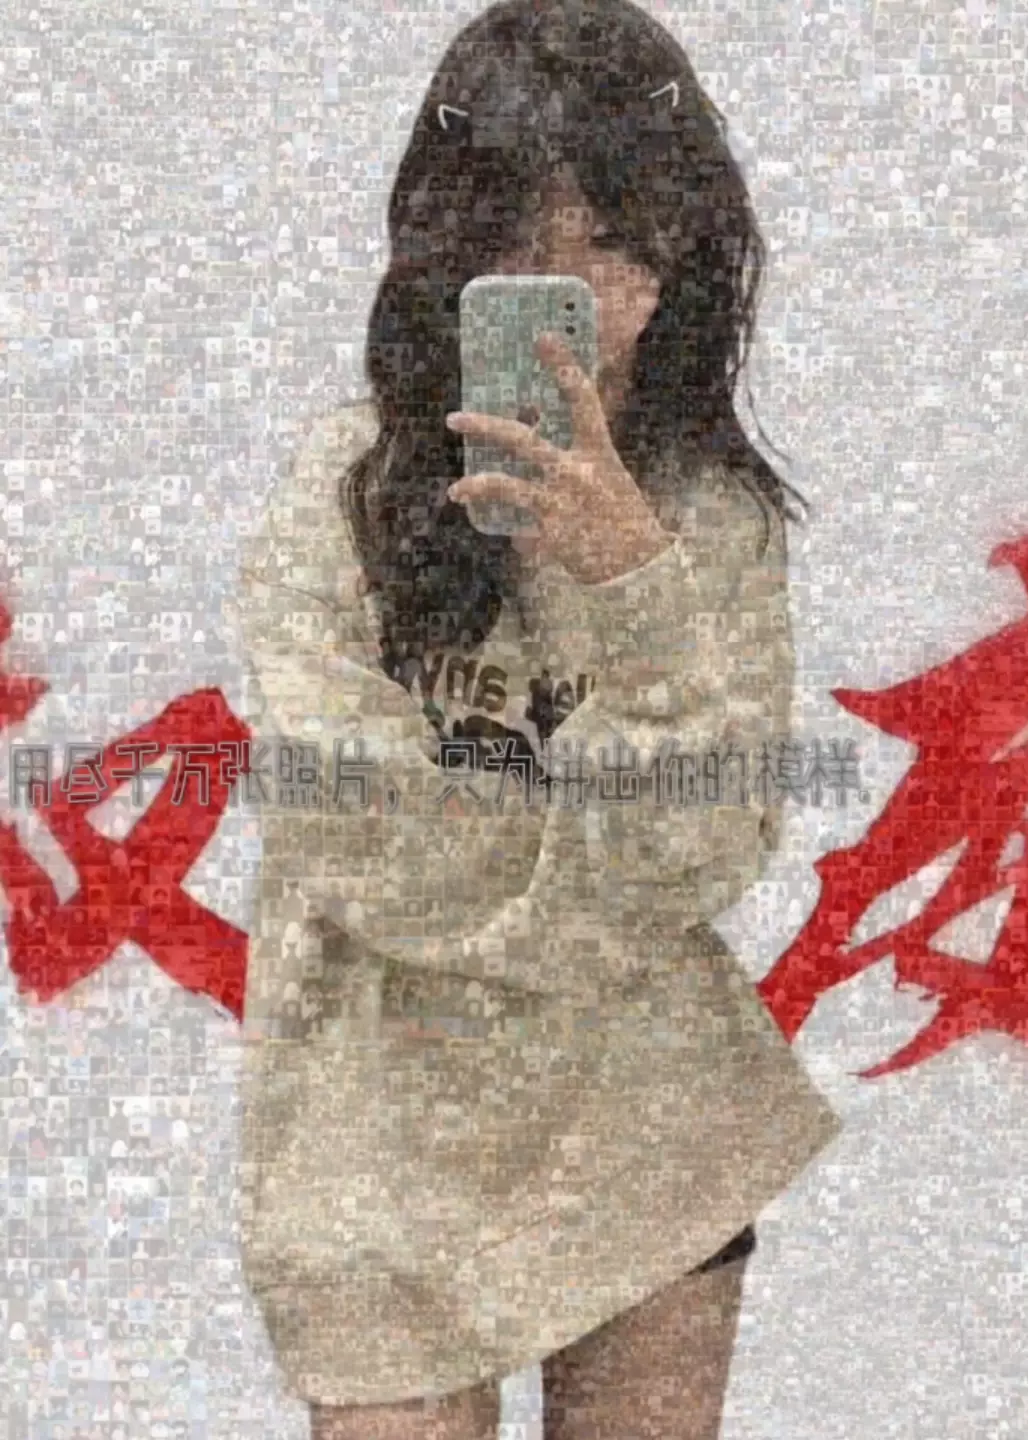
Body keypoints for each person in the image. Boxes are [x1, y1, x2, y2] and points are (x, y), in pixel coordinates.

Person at [233, 2, 841, 1437]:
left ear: (683, 255)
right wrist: (591, 876)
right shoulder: (341, 491)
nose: (578, 293)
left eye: (616, 245)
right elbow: (354, 836)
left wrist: (632, 579)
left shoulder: (706, 519)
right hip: (376, 1149)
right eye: (523, 248)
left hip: (644, 1138)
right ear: (447, 257)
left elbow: (710, 844)